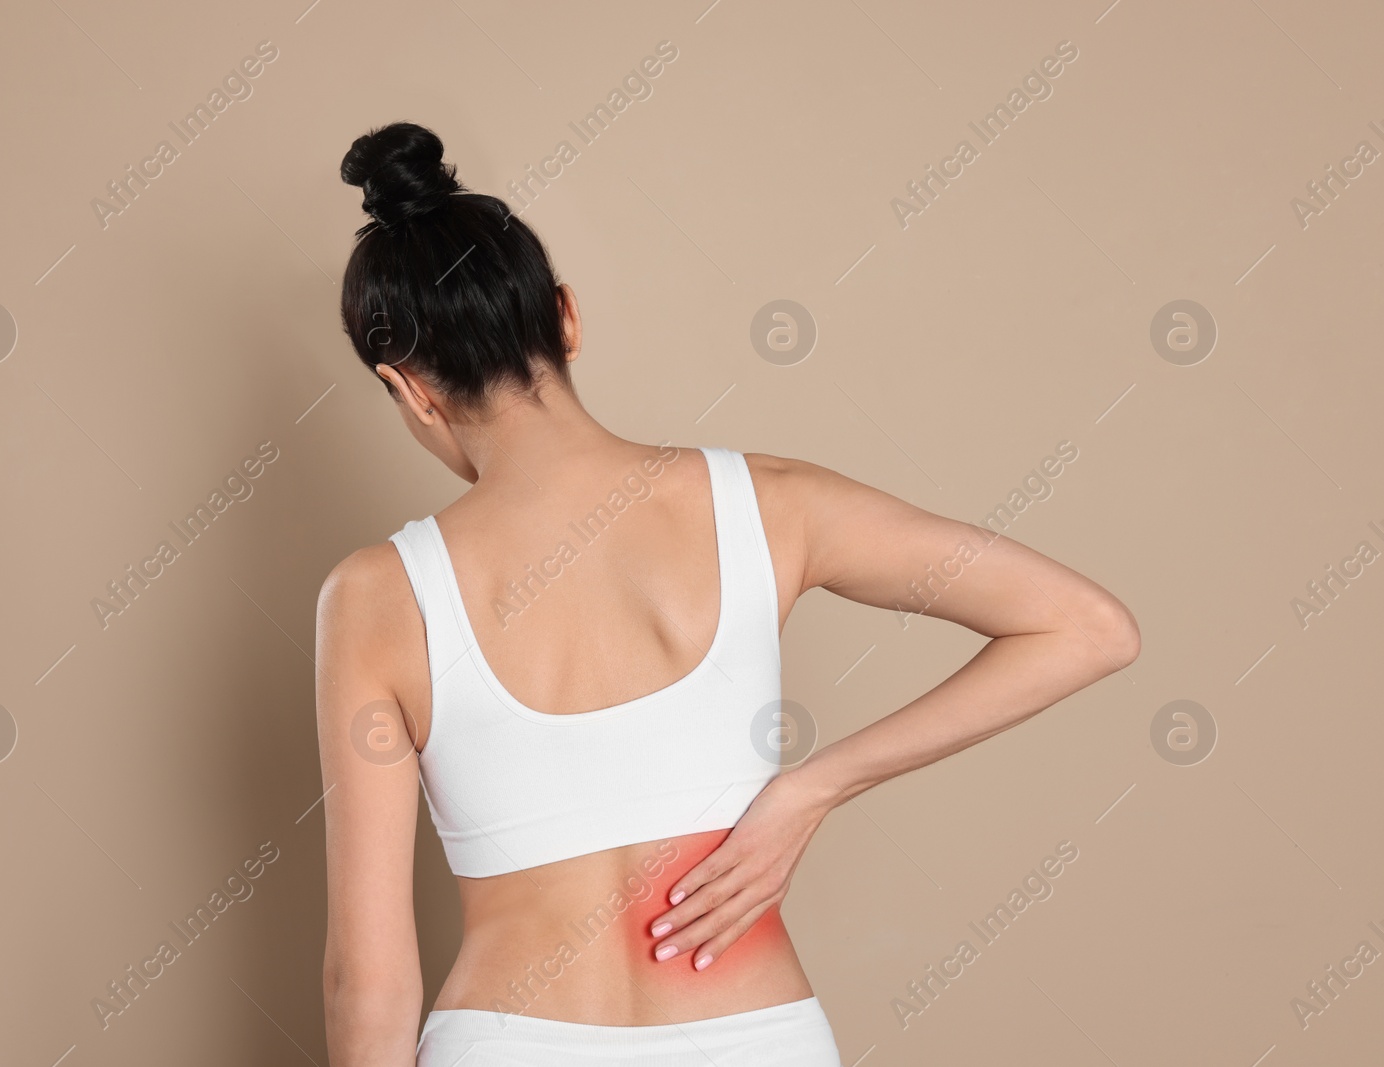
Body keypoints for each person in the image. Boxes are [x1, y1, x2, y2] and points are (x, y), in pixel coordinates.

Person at [315, 122, 1141, 1067]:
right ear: (566, 316)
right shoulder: (774, 506)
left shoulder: (376, 597)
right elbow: (1089, 627)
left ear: (409, 389)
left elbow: (369, 984)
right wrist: (815, 788)